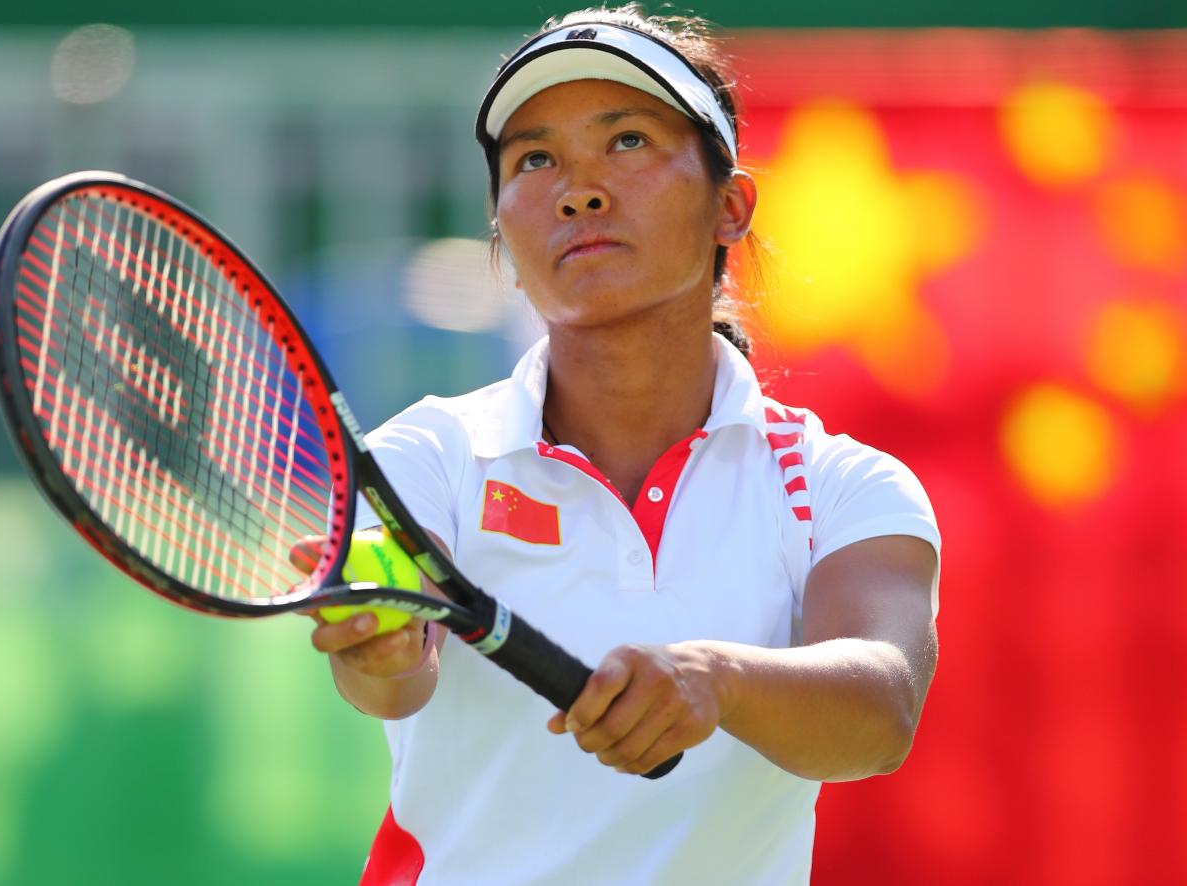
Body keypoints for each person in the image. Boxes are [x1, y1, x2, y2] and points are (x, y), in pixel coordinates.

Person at [308, 6, 940, 884]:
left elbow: (881, 708)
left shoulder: (844, 487)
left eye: (630, 141)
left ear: (731, 205)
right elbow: (394, 674)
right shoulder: (429, 453)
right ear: (501, 230)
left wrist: (715, 679)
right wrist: (379, 646)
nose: (579, 189)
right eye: (535, 160)